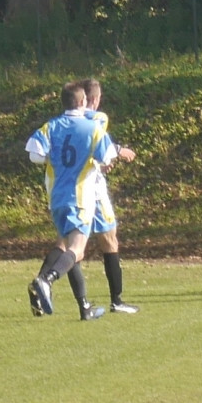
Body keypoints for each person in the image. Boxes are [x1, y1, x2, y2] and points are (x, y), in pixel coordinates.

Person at [25, 82, 119, 318]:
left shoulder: (51, 126)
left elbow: (34, 154)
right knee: (76, 250)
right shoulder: (92, 127)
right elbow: (107, 157)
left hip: (56, 196)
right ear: (83, 102)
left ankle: (84, 308)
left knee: (69, 250)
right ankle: (46, 280)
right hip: (80, 197)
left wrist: (54, 159)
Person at [74, 77, 140, 315]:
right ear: (95, 99)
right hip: (93, 188)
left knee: (71, 245)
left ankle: (45, 281)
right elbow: (100, 141)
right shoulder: (98, 117)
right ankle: (117, 300)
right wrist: (118, 151)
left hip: (71, 189)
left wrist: (100, 161)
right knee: (109, 239)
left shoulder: (66, 121)